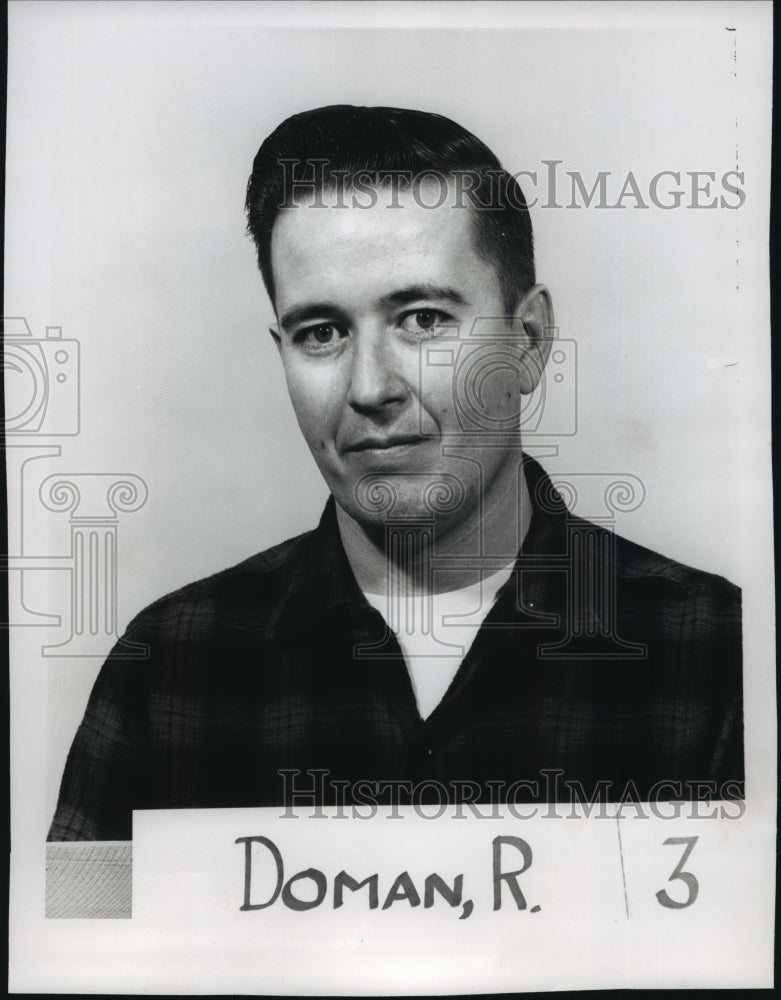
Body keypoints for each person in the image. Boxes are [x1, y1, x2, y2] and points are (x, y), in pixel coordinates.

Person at [48, 106, 743, 841]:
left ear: (529, 341)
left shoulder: (715, 652)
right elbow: (71, 940)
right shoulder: (168, 664)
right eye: (321, 333)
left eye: (422, 319)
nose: (369, 387)